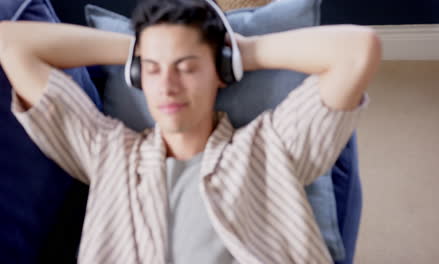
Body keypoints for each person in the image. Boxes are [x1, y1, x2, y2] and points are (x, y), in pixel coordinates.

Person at [0, 0, 381, 263]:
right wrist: (140, 47)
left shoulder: (270, 148)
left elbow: (358, 50)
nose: (167, 85)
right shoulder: (106, 150)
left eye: (185, 66)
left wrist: (239, 52)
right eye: (151, 68)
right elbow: (9, 41)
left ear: (222, 72)